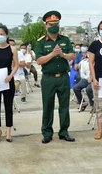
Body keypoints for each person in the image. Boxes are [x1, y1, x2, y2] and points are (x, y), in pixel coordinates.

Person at [36, 10, 75, 144]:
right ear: (46, 25)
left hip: (63, 77)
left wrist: (62, 55)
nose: (54, 26)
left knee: (64, 106)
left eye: (56, 23)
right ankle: (47, 133)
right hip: (48, 78)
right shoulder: (41, 42)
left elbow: (72, 56)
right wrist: (52, 54)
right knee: (48, 106)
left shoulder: (65, 40)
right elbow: (39, 60)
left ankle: (64, 132)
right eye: (51, 23)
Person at [73, 44, 93, 112]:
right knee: (76, 88)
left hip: (94, 79)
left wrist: (92, 78)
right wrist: (87, 78)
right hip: (86, 79)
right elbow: (82, 74)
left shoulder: (98, 62)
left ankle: (93, 105)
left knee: (88, 89)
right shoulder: (84, 62)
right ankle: (83, 103)